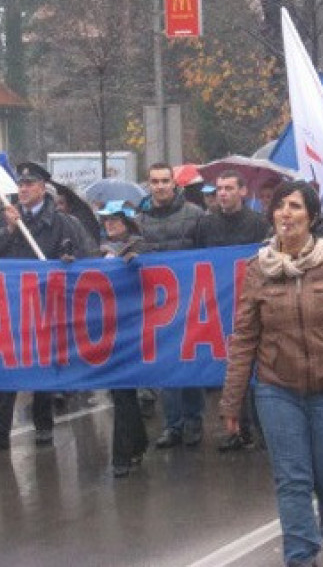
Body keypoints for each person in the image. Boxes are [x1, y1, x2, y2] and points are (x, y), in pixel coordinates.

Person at [219, 180, 323, 567]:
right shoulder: (257, 269)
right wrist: (231, 400)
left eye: (294, 206)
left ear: (311, 216)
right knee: (292, 482)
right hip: (277, 390)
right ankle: (300, 558)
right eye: (279, 206)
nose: (286, 214)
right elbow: (244, 337)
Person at [0, 161, 91, 450]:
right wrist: (9, 231)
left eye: (29, 184)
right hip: (13, 304)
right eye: (21, 184)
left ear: (42, 188)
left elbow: (86, 256)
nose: (23, 189)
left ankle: (43, 424)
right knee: (6, 364)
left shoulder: (65, 223)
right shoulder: (5, 218)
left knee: (42, 365)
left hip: (46, 305)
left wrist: (68, 263)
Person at [195, 170, 271, 452]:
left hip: (251, 302)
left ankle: (261, 430)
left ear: (242, 192)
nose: (223, 194)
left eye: (228, 188)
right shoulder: (206, 224)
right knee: (230, 368)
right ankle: (237, 429)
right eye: (219, 189)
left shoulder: (258, 223)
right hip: (218, 304)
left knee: (253, 366)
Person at [135, 162, 205, 448]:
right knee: (166, 368)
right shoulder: (140, 220)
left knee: (191, 365)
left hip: (189, 301)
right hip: (157, 306)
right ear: (149, 184)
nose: (160, 186)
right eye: (155, 181)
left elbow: (207, 255)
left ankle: (194, 420)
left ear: (174, 184)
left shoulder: (195, 215)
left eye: (165, 181)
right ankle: (172, 425)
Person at [97, 200, 149, 477]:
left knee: (123, 389)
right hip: (109, 328)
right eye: (106, 219)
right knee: (122, 391)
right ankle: (137, 443)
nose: (111, 223)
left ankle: (121, 456)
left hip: (135, 326)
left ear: (127, 222)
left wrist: (136, 264)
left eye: (116, 219)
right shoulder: (99, 250)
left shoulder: (141, 247)